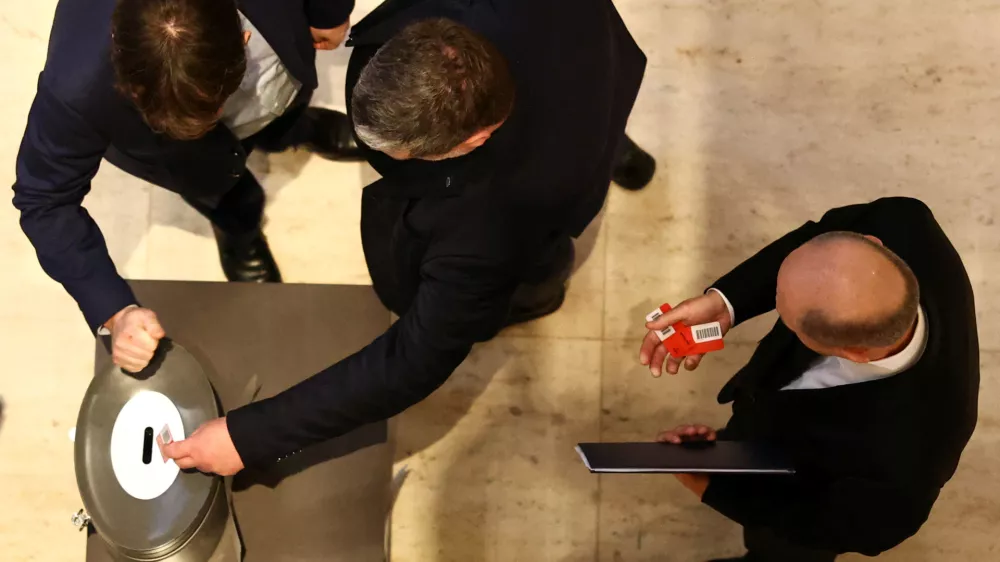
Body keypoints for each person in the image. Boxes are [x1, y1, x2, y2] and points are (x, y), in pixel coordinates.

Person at [161, 0, 655, 473]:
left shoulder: (486, 226)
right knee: (591, 108)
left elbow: (410, 362)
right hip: (584, 48)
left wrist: (247, 437)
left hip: (546, 177)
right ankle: (612, 144)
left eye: (401, 159)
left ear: (473, 140)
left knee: (535, 271)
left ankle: (541, 294)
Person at [12, 0, 359, 372]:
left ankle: (296, 128)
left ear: (243, 39)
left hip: (274, 52)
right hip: (186, 158)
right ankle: (238, 228)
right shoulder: (75, 90)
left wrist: (329, 11)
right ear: (128, 85)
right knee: (222, 191)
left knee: (280, 114)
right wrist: (115, 310)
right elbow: (44, 201)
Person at [638, 197, 979, 561]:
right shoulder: (903, 222)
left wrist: (708, 486)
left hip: (799, 516)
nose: (774, 303)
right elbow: (820, 239)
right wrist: (727, 304)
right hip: (770, 434)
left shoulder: (908, 465)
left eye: (787, 318)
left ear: (854, 353)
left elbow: (827, 523)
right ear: (872, 243)